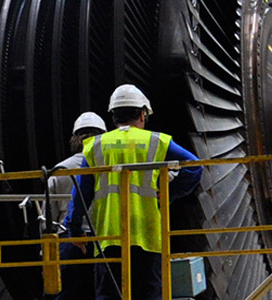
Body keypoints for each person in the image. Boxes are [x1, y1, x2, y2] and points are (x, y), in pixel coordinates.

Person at [65, 84, 203, 300]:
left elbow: (81, 192)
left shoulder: (95, 146)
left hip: (109, 236)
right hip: (147, 234)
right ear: (142, 114)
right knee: (148, 293)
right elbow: (194, 165)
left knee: (109, 294)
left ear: (113, 117)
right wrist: (169, 193)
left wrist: (75, 230)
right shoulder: (156, 141)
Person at [51, 112, 106, 300]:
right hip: (104, 238)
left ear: (75, 138)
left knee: (67, 293)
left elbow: (49, 215)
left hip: (68, 241)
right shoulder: (109, 168)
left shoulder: (59, 170)